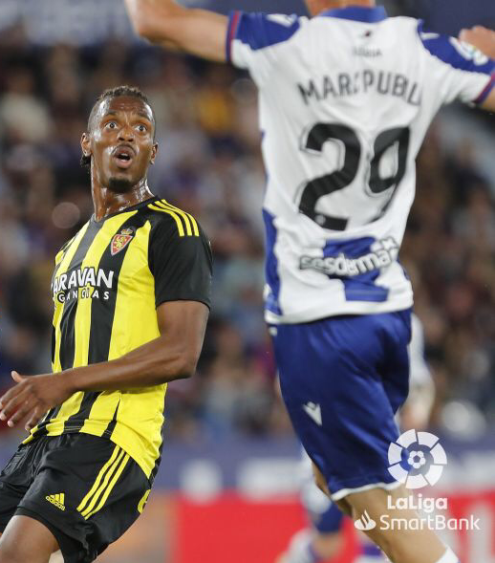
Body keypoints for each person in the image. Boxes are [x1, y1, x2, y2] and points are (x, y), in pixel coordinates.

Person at [123, 1, 495, 562]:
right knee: (333, 481)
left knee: (375, 500)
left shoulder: (285, 42)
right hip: (387, 312)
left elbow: (153, 20)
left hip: (319, 321)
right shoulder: (423, 48)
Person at [0, 85, 213, 563]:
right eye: (113, 124)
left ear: (153, 152)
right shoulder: (70, 249)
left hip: (114, 437)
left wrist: (64, 382)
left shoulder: (172, 229)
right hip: (48, 437)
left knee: (12, 557)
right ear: (86, 141)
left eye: (141, 129)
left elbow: (182, 353)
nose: (127, 136)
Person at [278, 314, 435, 563]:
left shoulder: (405, 321)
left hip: (379, 444)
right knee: (327, 544)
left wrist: (419, 408)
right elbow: (289, 378)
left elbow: (419, 379)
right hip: (327, 446)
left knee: (379, 534)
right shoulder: (323, 316)